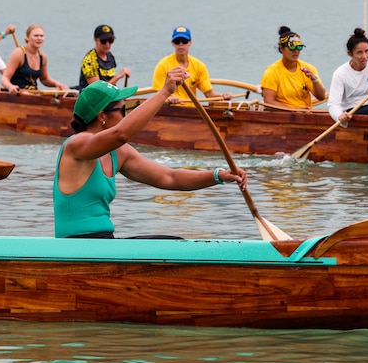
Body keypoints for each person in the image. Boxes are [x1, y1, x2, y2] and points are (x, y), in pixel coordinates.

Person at [53, 69, 247, 238]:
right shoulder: (75, 146)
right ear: (102, 116)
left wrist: (218, 175)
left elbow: (169, 178)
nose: (126, 114)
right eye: (123, 109)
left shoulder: (119, 153)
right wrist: (164, 92)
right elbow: (121, 133)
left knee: (173, 243)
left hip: (105, 242)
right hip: (75, 246)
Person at [151, 26, 232, 105]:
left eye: (184, 41)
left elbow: (209, 94)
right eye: (177, 41)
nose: (181, 44)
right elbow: (158, 95)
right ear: (173, 43)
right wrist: (168, 98)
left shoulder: (199, 66)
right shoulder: (163, 65)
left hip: (191, 111)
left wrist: (222, 97)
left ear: (190, 43)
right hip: (171, 110)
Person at [260, 26, 326, 109]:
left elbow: (321, 97)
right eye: (292, 47)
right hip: (282, 117)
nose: (296, 51)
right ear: (281, 49)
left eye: (299, 47)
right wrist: (294, 110)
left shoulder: (309, 69)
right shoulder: (272, 72)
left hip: (305, 115)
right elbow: (269, 102)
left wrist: (314, 79)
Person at [0, 24, 71, 94]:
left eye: (41, 36)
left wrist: (57, 84)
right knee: (26, 94)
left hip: (34, 93)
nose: (39, 38)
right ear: (27, 38)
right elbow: (4, 78)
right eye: (36, 36)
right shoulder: (18, 53)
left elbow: (44, 79)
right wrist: (10, 87)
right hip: (18, 93)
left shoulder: (43, 57)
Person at [78, 24, 132, 90]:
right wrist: (119, 76)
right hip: (91, 98)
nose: (107, 44)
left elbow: (111, 84)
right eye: (103, 41)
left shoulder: (110, 56)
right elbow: (98, 90)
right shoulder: (89, 60)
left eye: (110, 40)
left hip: (107, 96)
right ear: (95, 40)